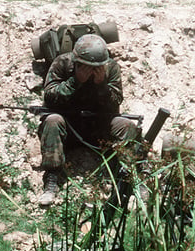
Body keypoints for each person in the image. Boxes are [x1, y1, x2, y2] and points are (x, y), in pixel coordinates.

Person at [37, 34, 140, 207]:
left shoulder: (111, 68)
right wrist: (75, 81)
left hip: (98, 126)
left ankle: (127, 177)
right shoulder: (62, 63)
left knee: (127, 126)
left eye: (96, 67)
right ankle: (52, 177)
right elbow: (50, 97)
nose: (91, 70)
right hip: (69, 125)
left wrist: (101, 85)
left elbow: (115, 102)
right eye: (86, 66)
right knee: (53, 120)